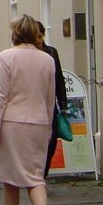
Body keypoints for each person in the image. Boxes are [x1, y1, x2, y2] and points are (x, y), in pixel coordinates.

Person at [0, 15, 57, 205]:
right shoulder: (47, 60)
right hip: (38, 122)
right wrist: (48, 127)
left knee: (10, 178)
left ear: (16, 33)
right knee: (35, 176)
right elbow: (50, 98)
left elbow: (1, 96)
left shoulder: (6, 57)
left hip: (12, 123)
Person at [36, 20, 68, 177]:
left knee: (53, 137)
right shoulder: (27, 55)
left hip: (49, 103)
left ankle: (43, 172)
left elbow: (59, 78)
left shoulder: (51, 52)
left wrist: (63, 103)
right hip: (32, 102)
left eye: (41, 36)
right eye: (36, 36)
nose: (39, 40)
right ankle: (34, 172)